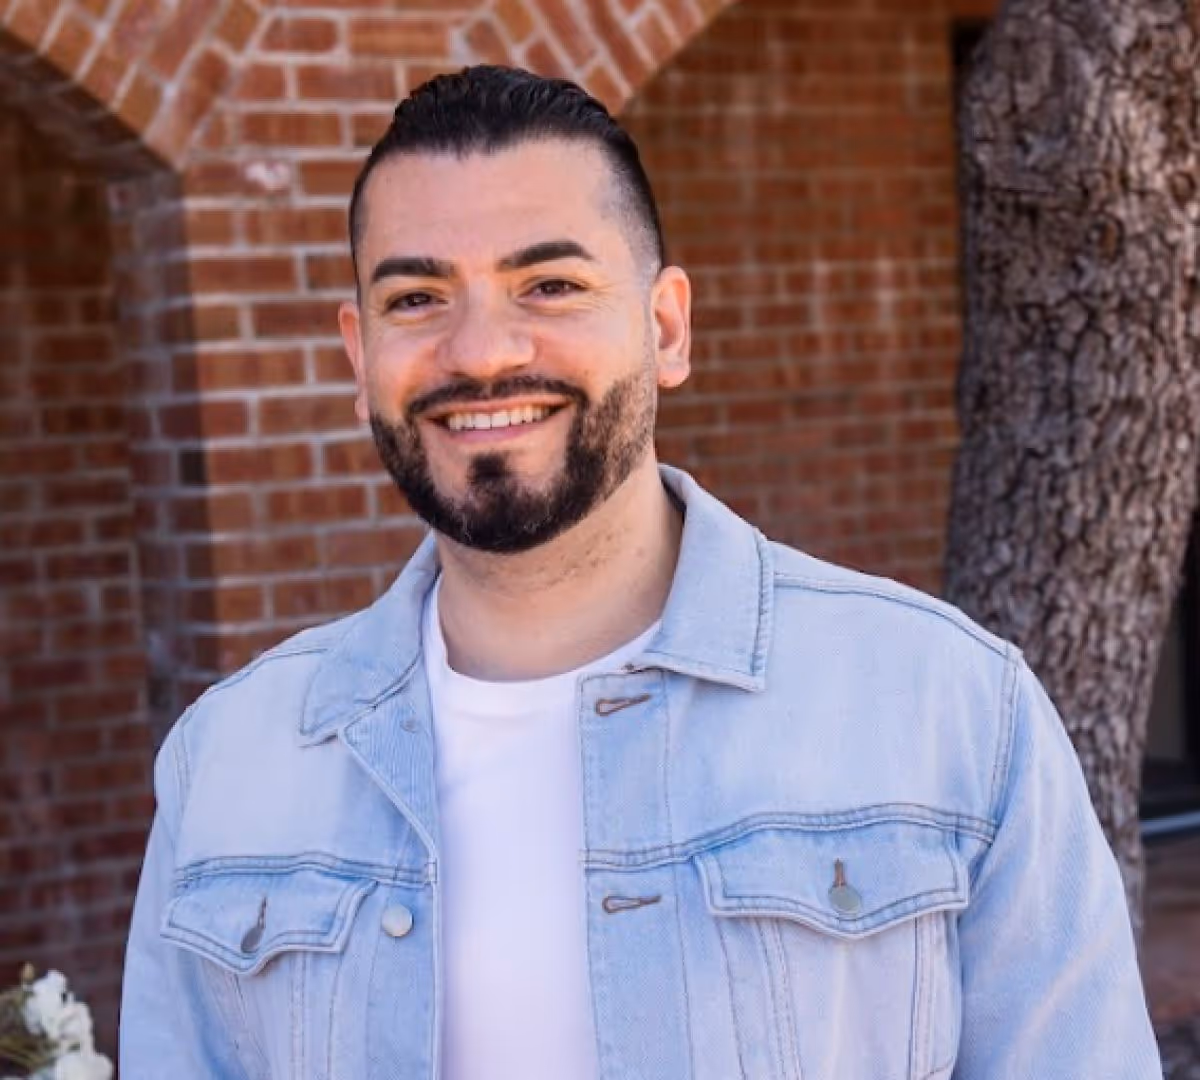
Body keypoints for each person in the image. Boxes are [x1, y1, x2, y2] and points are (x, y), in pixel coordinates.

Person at [119, 65, 1162, 1079]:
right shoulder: (229, 769)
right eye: (417, 298)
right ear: (359, 357)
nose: (481, 351)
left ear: (665, 327)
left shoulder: (950, 714)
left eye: (551, 284)